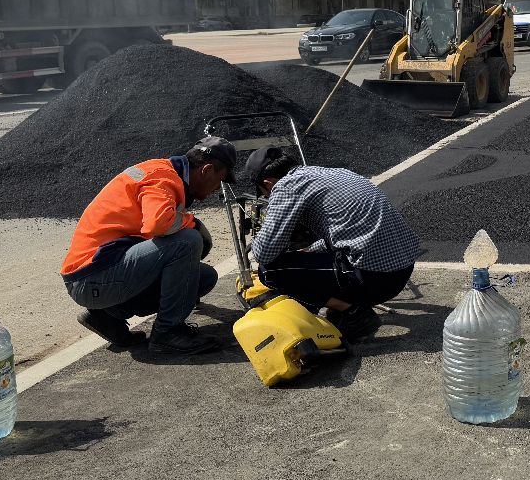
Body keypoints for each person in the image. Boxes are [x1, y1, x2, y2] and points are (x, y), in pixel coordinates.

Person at [61, 136, 234, 355]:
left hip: (99, 273)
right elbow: (158, 223)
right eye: (220, 180)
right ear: (206, 170)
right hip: (91, 278)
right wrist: (194, 225)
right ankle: (168, 333)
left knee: (203, 277)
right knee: (188, 240)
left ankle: (106, 316)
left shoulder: (164, 172)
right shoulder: (163, 177)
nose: (217, 188)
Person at [246, 147, 422, 340]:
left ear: (268, 183)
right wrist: (309, 250)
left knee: (270, 270)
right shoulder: (334, 173)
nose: (267, 198)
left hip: (375, 278)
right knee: (308, 257)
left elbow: (264, 253)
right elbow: (345, 233)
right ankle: (343, 306)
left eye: (265, 194)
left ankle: (355, 312)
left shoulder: (286, 186)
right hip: (401, 270)